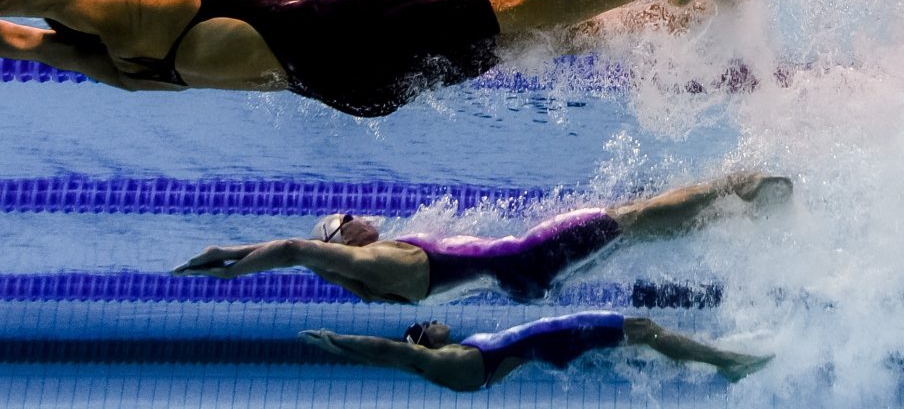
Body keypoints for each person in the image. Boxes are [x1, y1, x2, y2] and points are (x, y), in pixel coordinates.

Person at [0, 0, 748, 118]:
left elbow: (14, 41)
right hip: (347, 42)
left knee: (505, 43)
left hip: (352, 92)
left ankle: (654, 37)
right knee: (526, 2)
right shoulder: (129, 10)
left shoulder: (127, 66)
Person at [174, 171, 791, 303]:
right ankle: (744, 189)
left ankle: (733, 214)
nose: (358, 214)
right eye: (347, 219)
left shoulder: (384, 276)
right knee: (629, 215)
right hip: (529, 255)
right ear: (344, 239)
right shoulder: (378, 265)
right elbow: (290, 251)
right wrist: (227, 259)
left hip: (524, 277)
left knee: (629, 231)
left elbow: (304, 258)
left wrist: (229, 255)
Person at [300, 311, 770, 390]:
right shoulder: (437, 361)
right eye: (427, 324)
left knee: (641, 335)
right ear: (423, 340)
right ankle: (726, 362)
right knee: (643, 330)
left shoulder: (458, 359)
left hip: (550, 344)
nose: (434, 320)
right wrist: (336, 342)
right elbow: (386, 352)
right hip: (554, 338)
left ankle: (721, 359)